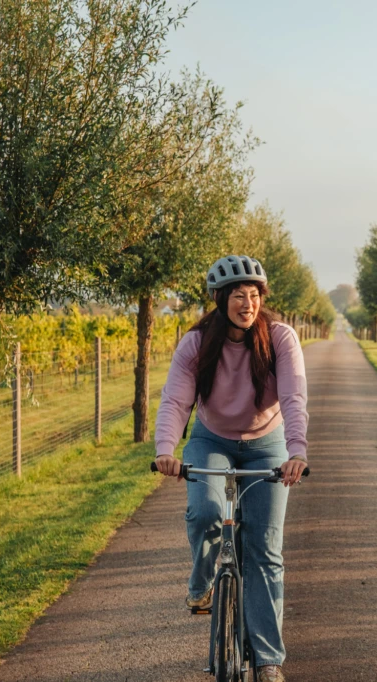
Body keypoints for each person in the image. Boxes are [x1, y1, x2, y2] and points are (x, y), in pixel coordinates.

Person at [155, 255, 308, 682]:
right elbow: (175, 400)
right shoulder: (198, 342)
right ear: (221, 300)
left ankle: (267, 661)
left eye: (255, 294)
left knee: (264, 550)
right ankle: (201, 581)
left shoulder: (280, 338)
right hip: (211, 439)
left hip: (267, 444)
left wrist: (296, 451)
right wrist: (166, 448)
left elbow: (294, 397)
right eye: (238, 295)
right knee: (205, 511)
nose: (248, 302)